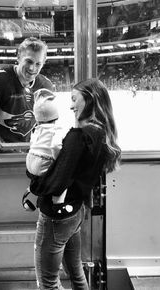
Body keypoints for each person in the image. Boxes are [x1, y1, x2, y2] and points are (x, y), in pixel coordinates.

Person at [27, 78, 121, 289]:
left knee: (48, 283)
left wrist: (33, 182)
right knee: (77, 273)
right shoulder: (100, 134)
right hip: (75, 213)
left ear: (90, 100)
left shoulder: (78, 136)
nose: (70, 106)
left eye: (74, 99)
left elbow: (55, 183)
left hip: (56, 218)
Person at [0, 37, 53, 143]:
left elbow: (44, 128)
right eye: (28, 61)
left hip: (22, 151)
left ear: (43, 63)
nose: (32, 68)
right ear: (18, 57)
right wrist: (8, 151)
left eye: (38, 64)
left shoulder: (45, 86)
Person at [23, 88, 67, 212]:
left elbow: (33, 143)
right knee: (62, 181)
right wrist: (57, 160)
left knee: (38, 178)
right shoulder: (57, 129)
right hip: (43, 161)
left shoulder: (36, 128)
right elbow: (55, 146)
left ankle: (33, 190)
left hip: (30, 160)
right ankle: (58, 204)